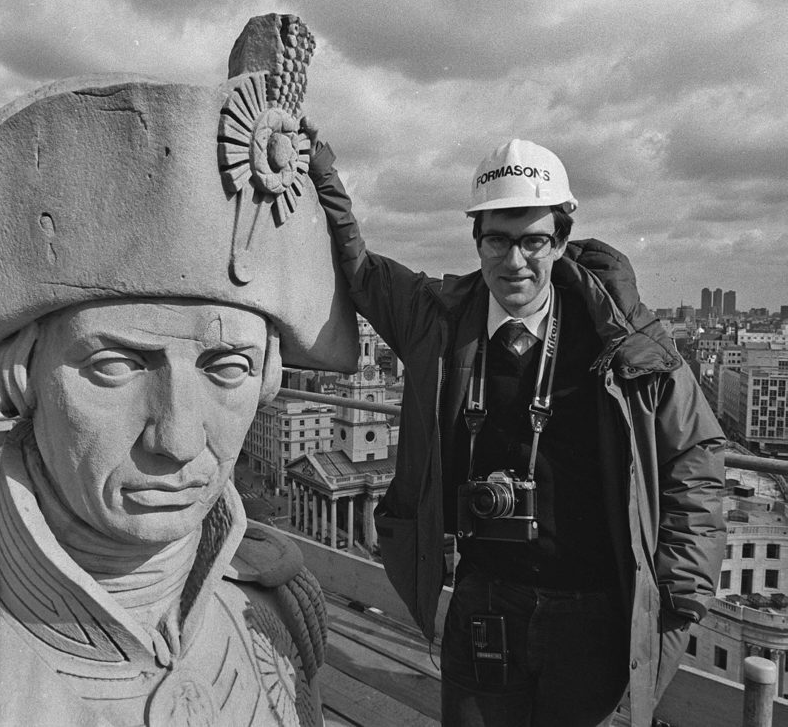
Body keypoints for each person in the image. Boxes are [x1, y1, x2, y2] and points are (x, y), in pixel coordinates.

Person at [0, 15, 358, 726]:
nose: (177, 438)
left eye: (224, 367)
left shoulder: (281, 613)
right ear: (21, 378)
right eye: (115, 365)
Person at [305, 131, 726, 727]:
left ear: (561, 239)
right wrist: (323, 175)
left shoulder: (623, 337)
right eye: (497, 241)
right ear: (476, 238)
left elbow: (696, 454)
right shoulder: (439, 321)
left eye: (534, 241)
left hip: (593, 611)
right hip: (485, 598)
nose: (515, 262)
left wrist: (681, 586)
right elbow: (363, 272)